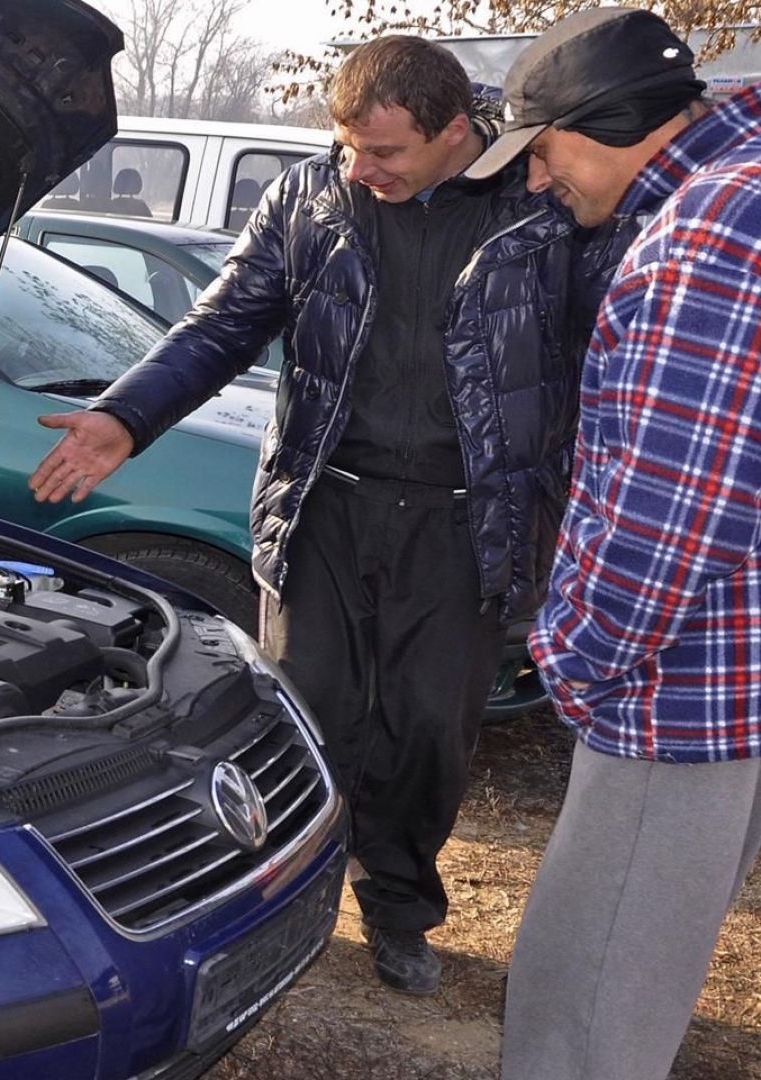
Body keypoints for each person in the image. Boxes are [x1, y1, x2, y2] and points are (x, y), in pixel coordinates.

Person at [29, 36, 616, 994]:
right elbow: (220, 323)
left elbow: (600, 356)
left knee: (428, 734)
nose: (360, 168)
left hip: (467, 525)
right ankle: (283, 896)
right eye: (348, 145)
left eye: (383, 152)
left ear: (457, 133)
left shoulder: (541, 208)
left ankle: (398, 908)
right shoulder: (309, 199)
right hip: (324, 509)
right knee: (306, 721)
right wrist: (125, 416)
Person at [457, 9, 761, 1078]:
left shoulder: (711, 226)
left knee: (578, 1027)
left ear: (603, 122)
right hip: (738, 684)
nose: (538, 182)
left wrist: (573, 660)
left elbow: (672, 507)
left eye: (540, 151)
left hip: (677, 699)